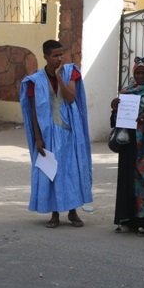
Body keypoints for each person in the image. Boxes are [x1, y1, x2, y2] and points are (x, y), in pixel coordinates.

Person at [19, 40, 91, 228]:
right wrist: (37, 138)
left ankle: (73, 212)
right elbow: (33, 112)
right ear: (45, 56)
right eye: (55, 55)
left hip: (70, 132)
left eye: (61, 54)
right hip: (48, 134)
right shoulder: (35, 81)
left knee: (72, 169)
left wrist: (59, 78)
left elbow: (70, 98)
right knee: (52, 172)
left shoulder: (70, 72)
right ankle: (55, 213)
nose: (59, 58)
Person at [111, 57, 144, 235]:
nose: (141, 76)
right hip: (128, 143)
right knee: (127, 181)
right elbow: (116, 121)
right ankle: (127, 220)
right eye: (137, 73)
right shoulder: (126, 91)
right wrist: (114, 109)